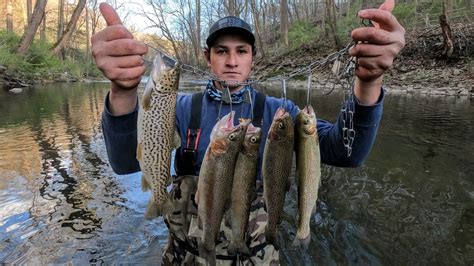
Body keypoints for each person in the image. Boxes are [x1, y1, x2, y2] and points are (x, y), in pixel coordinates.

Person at [92, 2, 405, 264]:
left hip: (256, 256)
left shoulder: (278, 112)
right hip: (186, 256)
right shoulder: (182, 108)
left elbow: (346, 152)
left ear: (252, 57)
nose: (231, 61)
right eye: (221, 51)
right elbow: (125, 163)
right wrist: (122, 92)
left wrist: (369, 82)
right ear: (207, 57)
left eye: (241, 51)